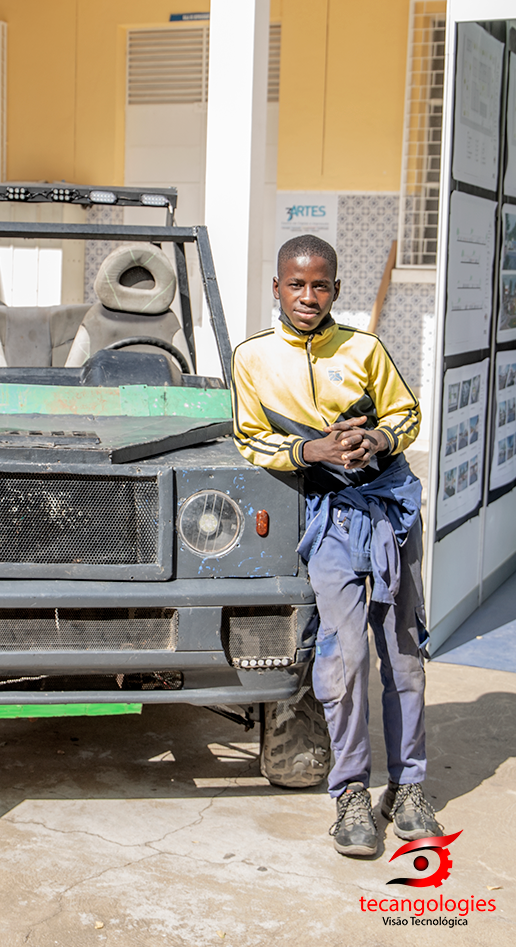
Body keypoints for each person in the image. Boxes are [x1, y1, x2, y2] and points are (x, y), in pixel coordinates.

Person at [231, 235, 440, 857]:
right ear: (276, 288)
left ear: (337, 290)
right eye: (295, 284)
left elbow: (407, 414)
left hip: (389, 512)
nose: (308, 296)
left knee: (403, 656)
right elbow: (248, 437)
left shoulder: (365, 350)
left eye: (320, 285)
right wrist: (311, 450)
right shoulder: (252, 359)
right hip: (329, 521)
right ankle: (350, 792)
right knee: (343, 660)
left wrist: (375, 439)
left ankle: (408, 788)